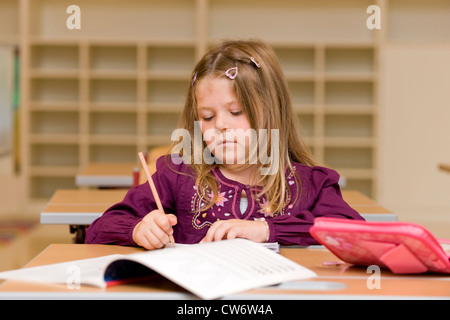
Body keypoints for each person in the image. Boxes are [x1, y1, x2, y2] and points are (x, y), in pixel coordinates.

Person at [85, 39, 364, 249]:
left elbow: (355, 235)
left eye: (236, 111)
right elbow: (97, 230)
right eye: (207, 116)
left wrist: (268, 231)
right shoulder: (178, 175)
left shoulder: (310, 183)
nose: (220, 125)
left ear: (272, 110)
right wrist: (138, 229)